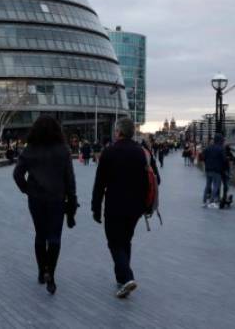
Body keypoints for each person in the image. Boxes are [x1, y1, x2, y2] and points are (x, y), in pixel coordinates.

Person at [13, 115, 78, 295]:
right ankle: (51, 274)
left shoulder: (30, 149)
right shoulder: (63, 150)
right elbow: (70, 179)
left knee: (40, 235)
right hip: (57, 199)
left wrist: (27, 189)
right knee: (54, 237)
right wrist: (72, 199)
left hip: (36, 199)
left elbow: (17, 174)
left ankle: (42, 271)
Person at [91, 118, 148, 299]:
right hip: (135, 207)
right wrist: (144, 206)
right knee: (125, 241)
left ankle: (128, 277)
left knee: (114, 243)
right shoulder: (140, 152)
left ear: (118, 132)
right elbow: (149, 181)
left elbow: (99, 183)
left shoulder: (109, 152)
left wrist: (95, 208)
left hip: (115, 206)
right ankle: (121, 279)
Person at [201, 134, 228, 209]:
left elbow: (203, 157)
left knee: (207, 186)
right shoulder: (221, 148)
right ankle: (212, 202)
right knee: (216, 186)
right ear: (220, 140)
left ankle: (204, 201)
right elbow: (224, 159)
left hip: (208, 169)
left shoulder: (208, 148)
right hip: (217, 170)